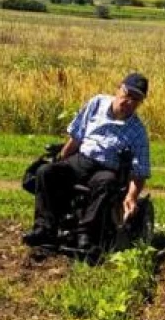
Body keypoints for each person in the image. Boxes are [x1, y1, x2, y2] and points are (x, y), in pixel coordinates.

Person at [23, 72, 151, 250]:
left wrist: (131, 197)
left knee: (106, 183)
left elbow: (140, 171)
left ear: (140, 103)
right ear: (119, 89)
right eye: (127, 95)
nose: (129, 102)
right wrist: (60, 159)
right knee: (46, 172)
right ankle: (45, 229)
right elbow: (76, 137)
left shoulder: (138, 131)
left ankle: (85, 234)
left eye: (136, 99)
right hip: (81, 159)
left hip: (107, 168)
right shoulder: (97, 103)